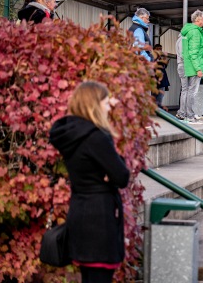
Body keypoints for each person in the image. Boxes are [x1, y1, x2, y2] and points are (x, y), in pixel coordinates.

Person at [49, 82, 129, 283]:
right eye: (105, 100)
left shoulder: (73, 135)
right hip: (99, 222)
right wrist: (113, 171)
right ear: (94, 104)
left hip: (81, 215)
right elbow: (122, 176)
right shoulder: (96, 138)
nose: (110, 104)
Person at [180, 10, 203, 125]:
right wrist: (198, 69)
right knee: (192, 91)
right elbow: (194, 52)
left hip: (187, 65)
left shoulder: (188, 31)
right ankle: (190, 116)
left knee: (185, 91)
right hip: (193, 66)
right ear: (197, 20)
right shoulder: (195, 32)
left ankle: (183, 114)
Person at [153, 44, 170, 109]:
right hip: (155, 79)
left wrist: (165, 63)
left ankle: (157, 109)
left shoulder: (160, 58)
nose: (159, 50)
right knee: (156, 96)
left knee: (160, 96)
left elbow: (163, 68)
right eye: (157, 48)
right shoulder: (152, 57)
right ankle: (156, 110)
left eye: (160, 48)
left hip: (162, 80)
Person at [175, 33, 188, 120]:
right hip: (184, 65)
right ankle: (182, 112)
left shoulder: (180, 39)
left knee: (185, 90)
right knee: (186, 90)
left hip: (183, 65)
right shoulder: (183, 39)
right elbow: (183, 54)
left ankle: (183, 112)